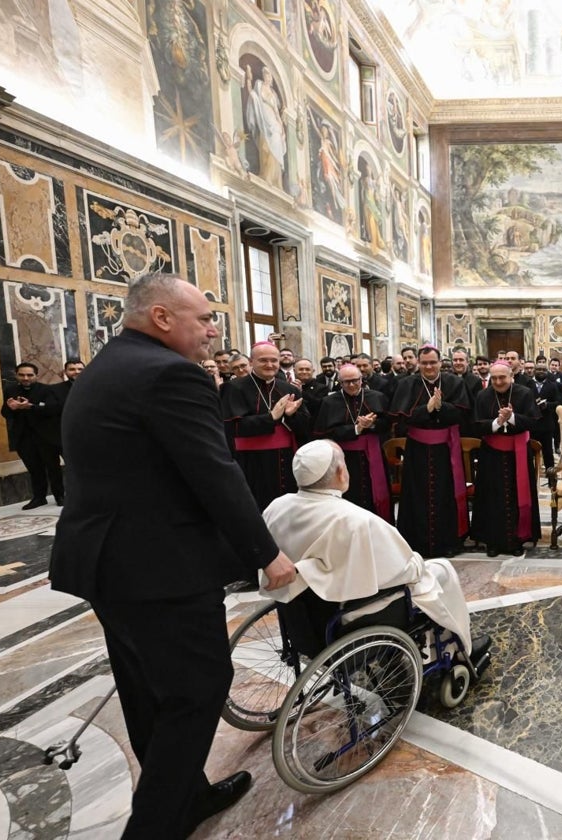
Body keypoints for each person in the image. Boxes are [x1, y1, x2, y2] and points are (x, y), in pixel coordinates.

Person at [49, 273, 296, 839]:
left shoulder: (108, 366)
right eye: (204, 318)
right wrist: (266, 553)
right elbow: (214, 472)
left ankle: (190, 796)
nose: (213, 330)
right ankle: (156, 825)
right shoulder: (169, 375)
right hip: (160, 565)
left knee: (145, 687)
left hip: (108, 563)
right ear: (161, 317)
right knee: (196, 690)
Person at [262, 440, 486, 666]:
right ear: (341, 473)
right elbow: (404, 571)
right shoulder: (353, 520)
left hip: (304, 619)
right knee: (441, 571)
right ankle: (458, 652)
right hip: (349, 618)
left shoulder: (275, 508)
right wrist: (418, 562)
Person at [390, 345, 471, 557]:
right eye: (424, 363)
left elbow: (462, 416)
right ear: (418, 363)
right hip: (417, 451)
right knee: (416, 495)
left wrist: (440, 406)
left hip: (446, 450)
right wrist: (426, 409)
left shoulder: (454, 382)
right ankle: (417, 543)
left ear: (440, 362)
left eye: (432, 362)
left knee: (446, 494)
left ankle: (448, 543)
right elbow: (401, 420)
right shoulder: (407, 384)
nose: (429, 367)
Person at [224, 342, 312, 510]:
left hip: (286, 459)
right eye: (263, 360)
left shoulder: (288, 388)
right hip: (251, 461)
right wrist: (270, 417)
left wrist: (291, 415)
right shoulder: (233, 388)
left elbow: (306, 427)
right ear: (251, 362)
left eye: (274, 360)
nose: (270, 365)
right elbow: (232, 428)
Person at [470, 363, 541, 556]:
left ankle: (517, 540)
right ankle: (492, 542)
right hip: (491, 455)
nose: (499, 382)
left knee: (518, 495)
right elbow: (475, 426)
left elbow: (535, 422)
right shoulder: (482, 396)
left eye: (503, 377)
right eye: (494, 378)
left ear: (512, 377)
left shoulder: (524, 394)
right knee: (491, 498)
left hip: (518, 452)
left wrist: (511, 418)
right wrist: (496, 423)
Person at [314, 364, 393, 523]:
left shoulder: (377, 397)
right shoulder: (329, 402)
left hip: (373, 455)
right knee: (350, 494)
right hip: (344, 458)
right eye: (346, 382)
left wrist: (371, 425)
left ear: (361, 380)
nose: (351, 385)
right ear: (340, 382)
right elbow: (325, 432)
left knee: (374, 493)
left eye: (355, 381)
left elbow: (388, 425)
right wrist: (356, 429)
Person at [1, 361, 64, 509]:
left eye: (29, 375)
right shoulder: (10, 390)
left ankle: (60, 495)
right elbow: (5, 413)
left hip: (46, 436)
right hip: (24, 437)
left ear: (36, 375)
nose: (26, 378)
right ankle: (39, 497)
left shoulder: (46, 390)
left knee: (53, 468)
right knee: (34, 469)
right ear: (16, 375)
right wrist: (10, 408)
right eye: (22, 375)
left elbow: (53, 409)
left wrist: (31, 407)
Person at [529, 358, 562, 474]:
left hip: (546, 425)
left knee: (548, 454)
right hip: (531, 425)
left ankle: (551, 480)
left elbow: (558, 403)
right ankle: (531, 478)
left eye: (543, 370)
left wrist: (547, 405)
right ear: (534, 370)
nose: (541, 372)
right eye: (538, 369)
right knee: (529, 454)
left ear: (547, 371)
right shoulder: (528, 384)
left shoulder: (553, 386)